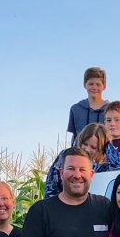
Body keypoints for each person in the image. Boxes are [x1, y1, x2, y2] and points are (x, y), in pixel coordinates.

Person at [44, 66, 109, 199]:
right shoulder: (76, 109)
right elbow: (74, 137)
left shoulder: (110, 109)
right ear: (85, 85)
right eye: (91, 83)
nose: (94, 87)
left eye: (98, 84)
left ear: (104, 86)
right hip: (79, 155)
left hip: (98, 158)